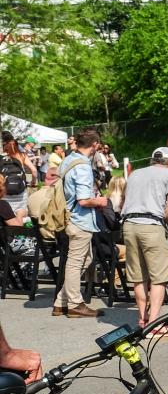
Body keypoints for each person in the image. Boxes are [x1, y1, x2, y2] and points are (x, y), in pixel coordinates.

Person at [121, 147, 168, 329]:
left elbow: (124, 200)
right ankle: (154, 322)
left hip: (129, 224)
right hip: (152, 224)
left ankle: (142, 318)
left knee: (138, 275)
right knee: (159, 276)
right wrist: (165, 221)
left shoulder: (135, 174)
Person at [52, 129, 108, 319]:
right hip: (79, 218)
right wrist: (100, 201)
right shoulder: (83, 166)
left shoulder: (69, 159)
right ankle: (75, 304)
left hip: (67, 216)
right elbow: (84, 200)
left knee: (85, 258)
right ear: (94, 145)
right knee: (76, 262)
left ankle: (62, 301)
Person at [1, 130, 36, 214]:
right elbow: (34, 170)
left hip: (5, 191)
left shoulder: (1, 157)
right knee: (21, 214)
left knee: (6, 215)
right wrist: (33, 182)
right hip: (21, 192)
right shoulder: (22, 155)